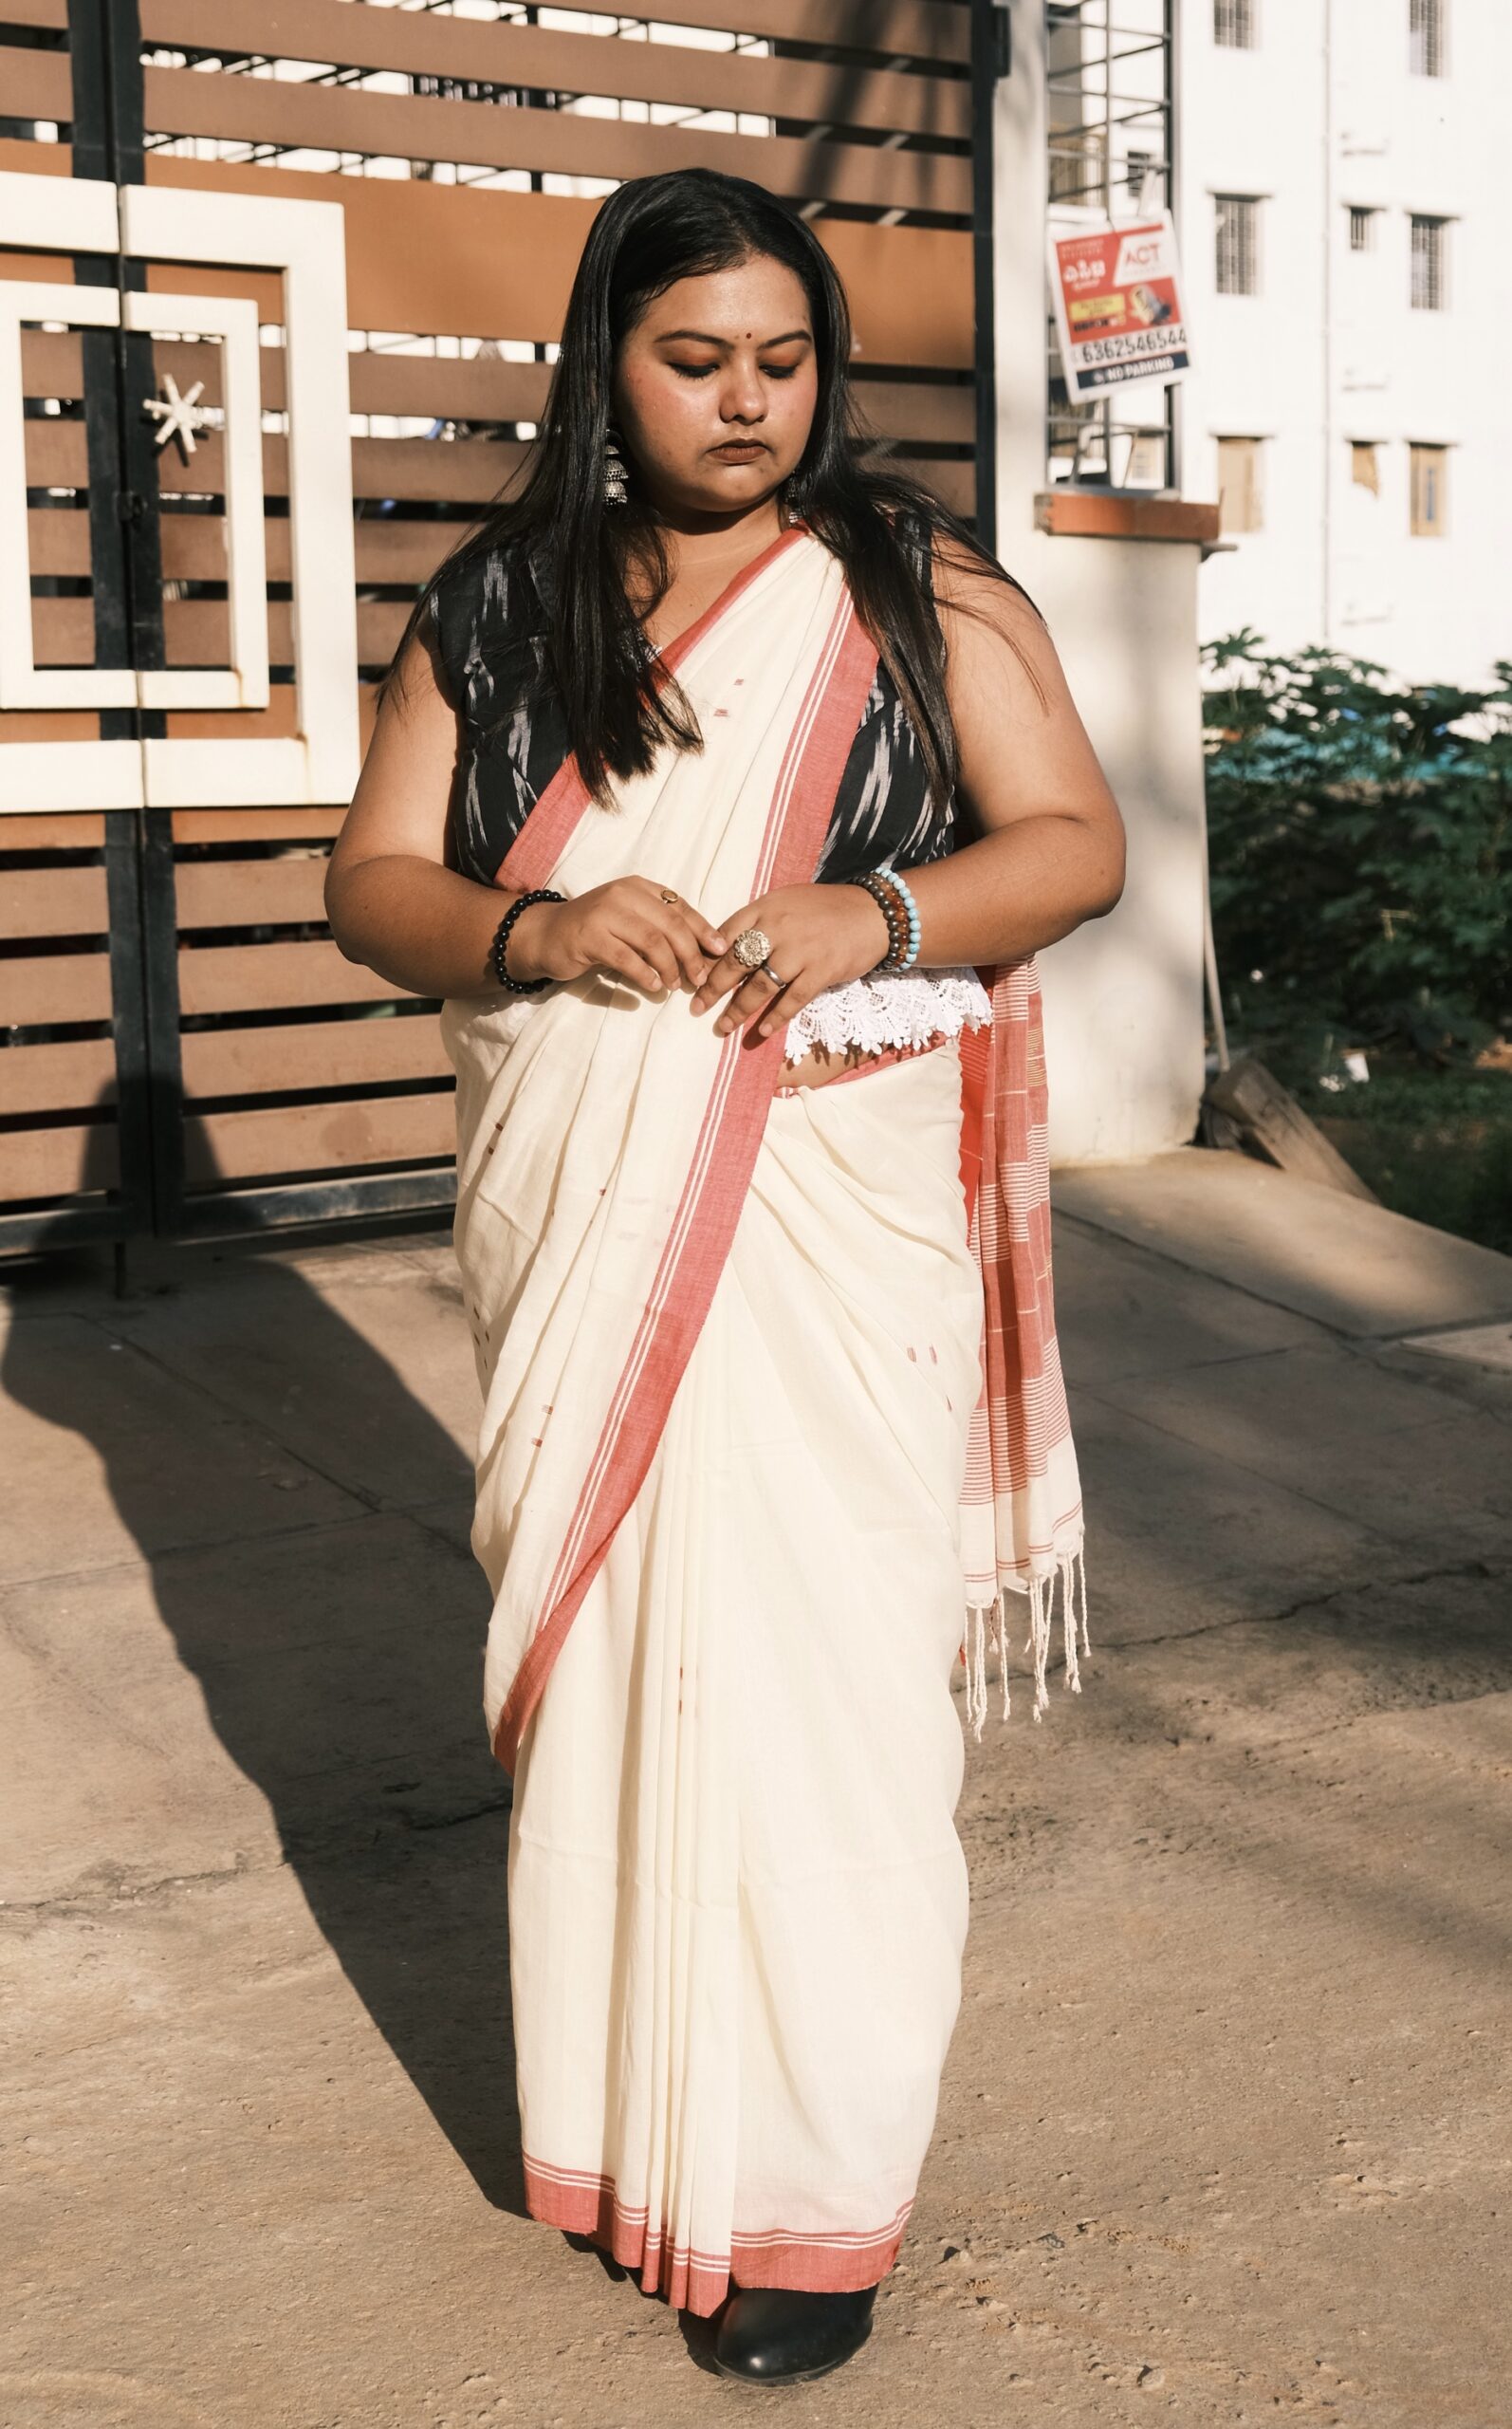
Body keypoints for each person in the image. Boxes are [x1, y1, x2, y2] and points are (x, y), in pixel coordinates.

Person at [325, 166, 1124, 2387]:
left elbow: (1070, 843)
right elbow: (372, 881)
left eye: (783, 359)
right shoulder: (501, 607)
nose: (746, 399)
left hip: (824, 1204)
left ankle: (810, 2193)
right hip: (580, 1200)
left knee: (827, 1698)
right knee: (612, 1685)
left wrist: (880, 911)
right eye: (694, 360)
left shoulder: (909, 584)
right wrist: (536, 925)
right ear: (607, 361)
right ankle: (636, 2140)